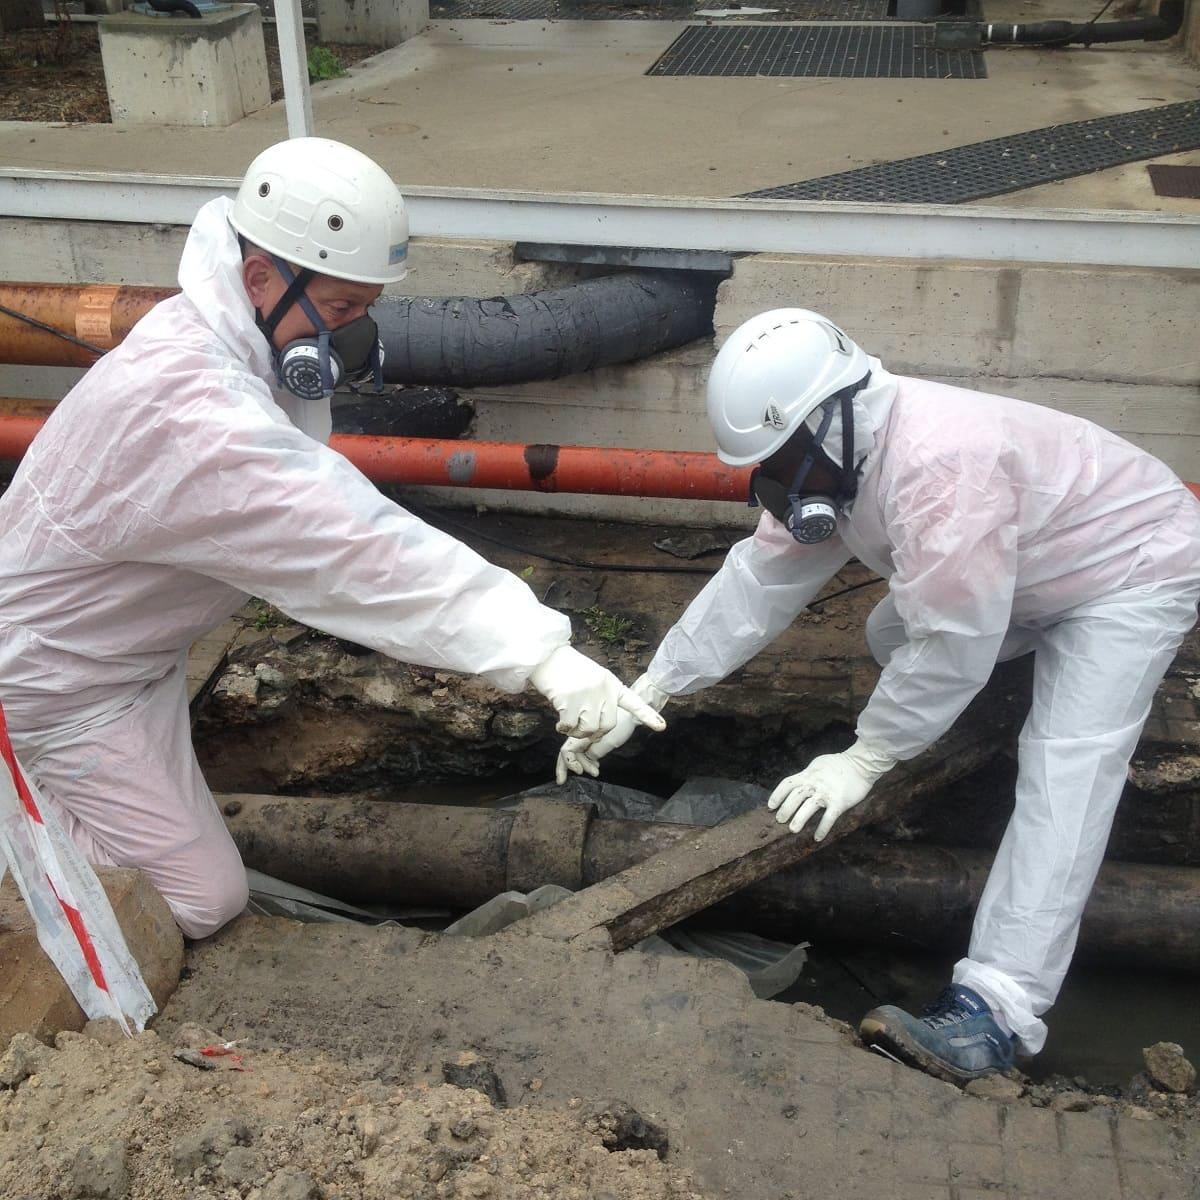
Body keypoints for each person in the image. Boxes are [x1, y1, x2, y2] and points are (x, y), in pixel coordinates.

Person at [0, 137, 663, 941]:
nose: (354, 333)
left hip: (125, 657)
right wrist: (542, 654)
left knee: (169, 854)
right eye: (344, 310)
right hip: (54, 686)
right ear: (260, 276)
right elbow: (350, 544)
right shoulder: (189, 410)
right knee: (202, 899)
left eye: (366, 309)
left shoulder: (236, 334)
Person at [556, 307, 1200, 1082]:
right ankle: (1006, 670)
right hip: (1031, 563)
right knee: (892, 636)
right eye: (765, 466)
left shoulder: (937, 469)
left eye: (783, 459)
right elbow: (760, 581)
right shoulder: (833, 453)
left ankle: (996, 1012)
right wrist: (650, 689)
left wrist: (868, 757)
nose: (778, 484)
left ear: (833, 416)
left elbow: (954, 638)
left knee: (1065, 767)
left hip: (1131, 567)